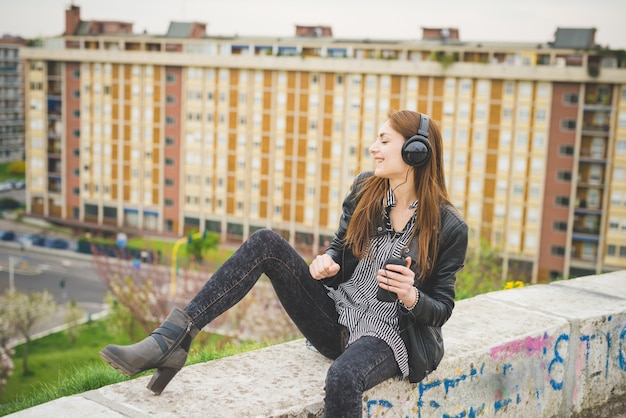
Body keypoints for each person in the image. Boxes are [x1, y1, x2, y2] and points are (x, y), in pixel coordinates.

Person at [99, 110, 468, 417]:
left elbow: (443, 308)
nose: (373, 148)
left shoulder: (448, 226)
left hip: (389, 337)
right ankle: (172, 340)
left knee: (342, 378)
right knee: (265, 242)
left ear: (417, 151)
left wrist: (411, 296)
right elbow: (340, 247)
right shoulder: (364, 190)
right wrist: (327, 261)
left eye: (384, 141)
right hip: (337, 319)